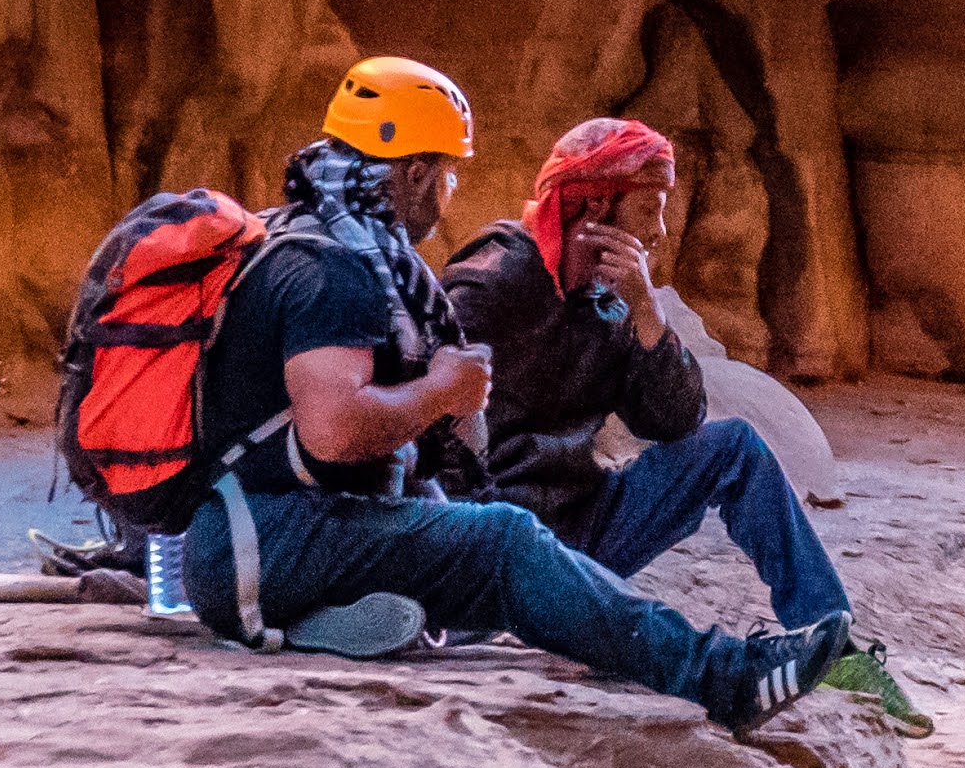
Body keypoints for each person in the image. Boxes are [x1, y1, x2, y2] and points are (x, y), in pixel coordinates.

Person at [181, 56, 844, 732]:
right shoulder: (340, 266)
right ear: (416, 172)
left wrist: (647, 314)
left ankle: (828, 638)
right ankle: (723, 678)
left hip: (300, 530)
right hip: (265, 541)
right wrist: (444, 394)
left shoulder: (354, 253)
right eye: (449, 172)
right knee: (506, 540)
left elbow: (675, 422)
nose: (452, 189)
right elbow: (339, 431)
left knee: (683, 468)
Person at [444, 113, 932, 735]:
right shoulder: (495, 281)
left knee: (732, 447)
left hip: (576, 526)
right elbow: (427, 427)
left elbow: (676, 422)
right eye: (650, 209)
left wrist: (648, 316)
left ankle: (836, 651)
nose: (661, 230)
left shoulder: (614, 300)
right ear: (594, 207)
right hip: (493, 540)